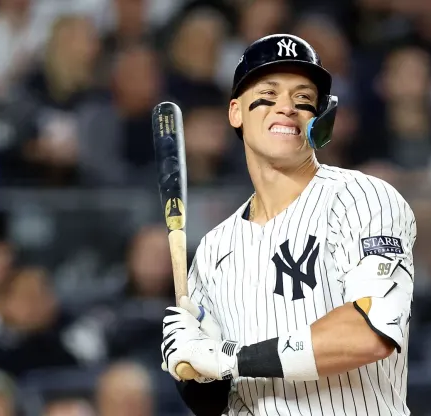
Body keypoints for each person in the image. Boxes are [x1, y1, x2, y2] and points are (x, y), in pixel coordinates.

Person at [159, 34, 417, 416]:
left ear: (319, 119)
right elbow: (216, 402)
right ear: (235, 112)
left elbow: (369, 333)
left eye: (303, 99)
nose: (287, 108)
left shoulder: (362, 198)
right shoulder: (214, 250)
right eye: (269, 93)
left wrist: (228, 358)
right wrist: (190, 366)